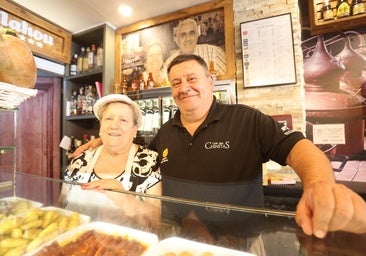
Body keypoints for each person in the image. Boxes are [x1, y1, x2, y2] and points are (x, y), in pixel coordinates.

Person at [73, 54, 366, 240]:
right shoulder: (164, 133)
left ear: (211, 82)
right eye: (176, 82)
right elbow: (137, 150)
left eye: (192, 78)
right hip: (178, 240)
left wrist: (318, 184)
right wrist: (106, 136)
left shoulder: (246, 119)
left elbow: (296, 147)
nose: (184, 87)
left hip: (240, 241)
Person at [60, 94, 161, 227]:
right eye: (108, 118)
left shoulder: (149, 161)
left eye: (123, 120)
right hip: (78, 239)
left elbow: (155, 221)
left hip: (127, 243)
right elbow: (61, 206)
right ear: (101, 127)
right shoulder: (80, 160)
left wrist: (122, 196)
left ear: (134, 130)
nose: (114, 125)